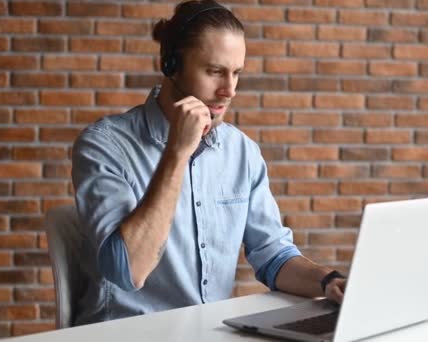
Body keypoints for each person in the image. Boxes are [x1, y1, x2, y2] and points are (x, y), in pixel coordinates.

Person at [71, 0, 346, 325]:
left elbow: (272, 255)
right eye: (214, 71)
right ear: (171, 65)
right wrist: (177, 152)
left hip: (210, 332)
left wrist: (330, 281)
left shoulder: (241, 152)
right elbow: (127, 270)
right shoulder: (104, 145)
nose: (229, 90)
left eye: (236, 73)